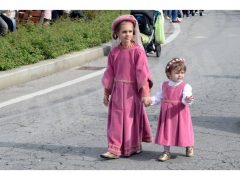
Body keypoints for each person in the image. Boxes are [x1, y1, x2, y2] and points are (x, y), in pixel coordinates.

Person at [101, 15, 153, 159]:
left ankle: (132, 145)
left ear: (134, 32)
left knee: (131, 120)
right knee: (116, 120)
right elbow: (109, 73)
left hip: (132, 93)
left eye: (130, 31)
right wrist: (107, 92)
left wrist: (145, 94)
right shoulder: (114, 52)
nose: (127, 35)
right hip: (118, 92)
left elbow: (142, 74)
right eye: (124, 32)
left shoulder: (138, 51)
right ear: (117, 33)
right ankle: (114, 148)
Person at [148, 58, 194, 161]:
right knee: (166, 132)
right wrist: (150, 101)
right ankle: (166, 151)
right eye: (177, 73)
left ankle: (189, 146)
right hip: (167, 114)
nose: (180, 75)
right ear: (169, 74)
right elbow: (158, 97)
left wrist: (187, 99)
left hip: (180, 113)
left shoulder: (185, 86)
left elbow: (186, 97)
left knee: (184, 131)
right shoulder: (164, 85)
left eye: (182, 72)